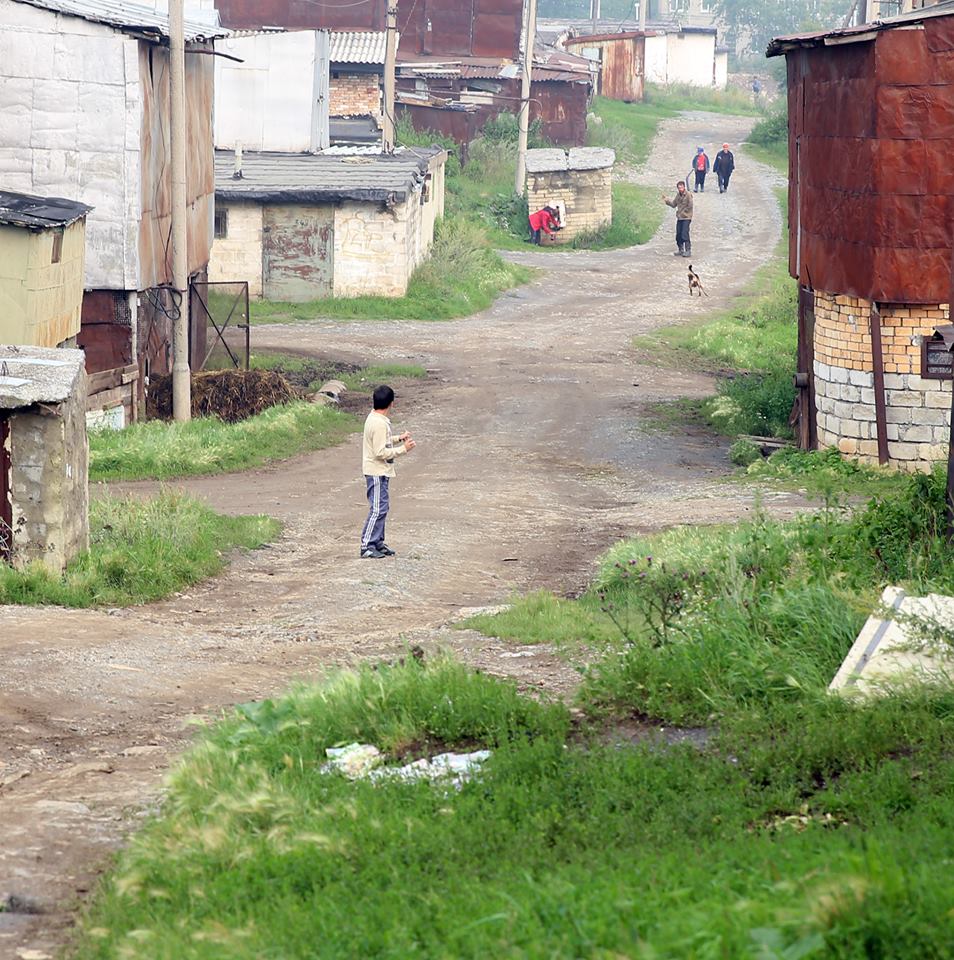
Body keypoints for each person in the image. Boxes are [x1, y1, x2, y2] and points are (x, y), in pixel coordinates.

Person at [360, 384, 416, 559]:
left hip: (381, 471)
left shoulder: (375, 419)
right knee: (377, 508)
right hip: (376, 471)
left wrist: (398, 438)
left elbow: (381, 441)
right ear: (392, 403)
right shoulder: (378, 423)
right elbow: (380, 452)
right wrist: (403, 449)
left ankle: (377, 542)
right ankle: (367, 545)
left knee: (382, 507)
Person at [662, 180, 693, 258]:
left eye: (681, 187)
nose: (680, 189)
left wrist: (683, 212)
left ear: (684, 187)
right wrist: (667, 200)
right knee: (678, 235)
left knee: (684, 234)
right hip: (680, 218)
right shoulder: (678, 195)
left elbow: (690, 205)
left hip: (686, 217)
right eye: (679, 188)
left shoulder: (688, 195)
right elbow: (673, 204)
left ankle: (688, 250)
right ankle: (680, 249)